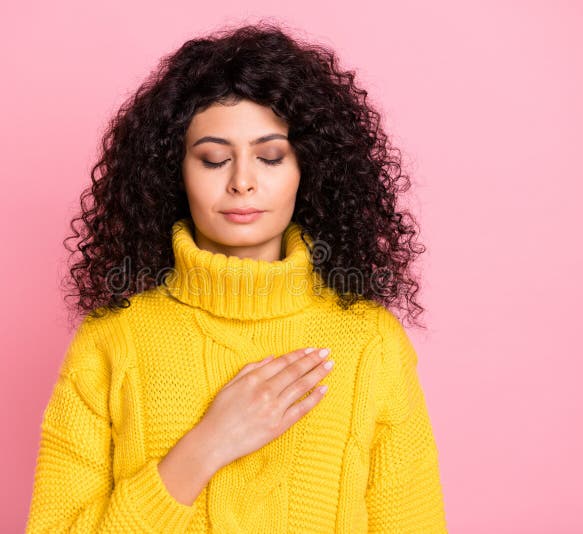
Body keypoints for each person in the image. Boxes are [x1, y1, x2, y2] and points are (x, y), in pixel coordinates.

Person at [24, 21, 448, 533]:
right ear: (174, 172)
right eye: (214, 159)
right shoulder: (112, 340)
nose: (242, 181)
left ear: (308, 169)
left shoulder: (371, 343)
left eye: (270, 156)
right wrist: (206, 447)